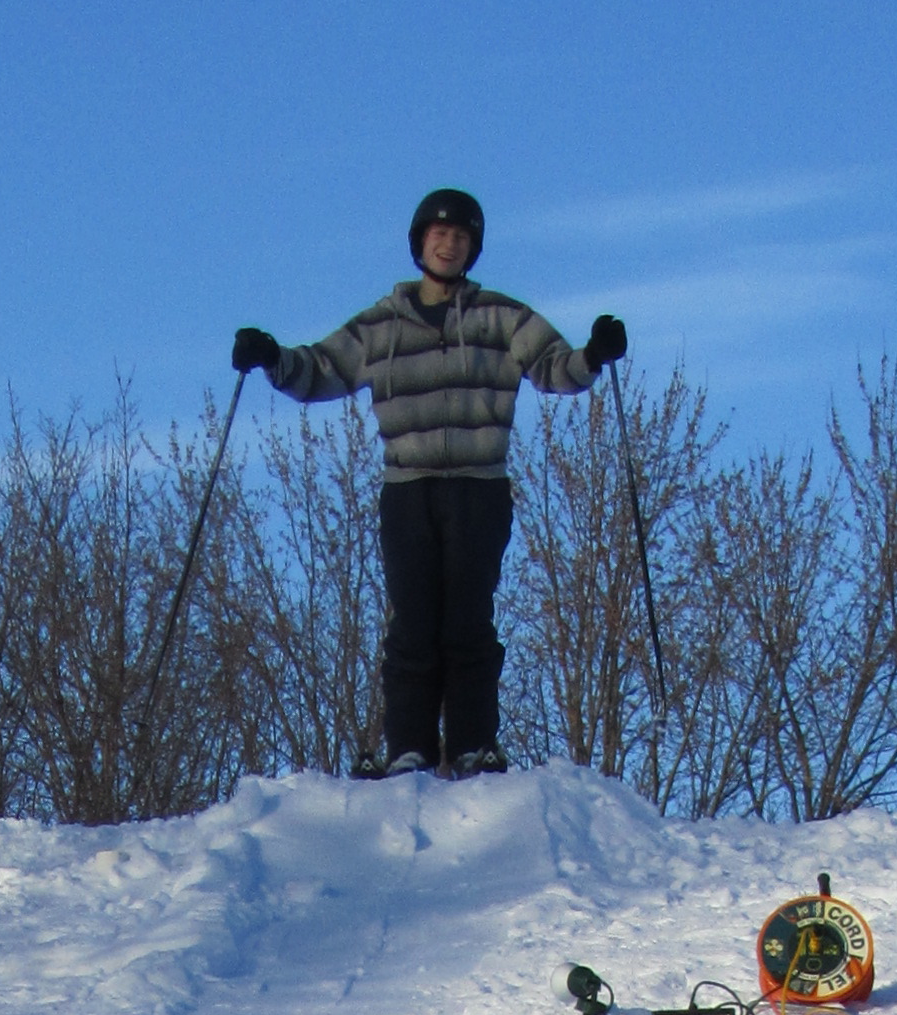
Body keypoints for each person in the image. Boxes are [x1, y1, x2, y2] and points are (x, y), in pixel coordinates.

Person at [235, 191, 625, 778]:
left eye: (462, 238)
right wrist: (271, 358)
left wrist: (593, 355)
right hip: (408, 490)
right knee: (413, 623)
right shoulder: (381, 325)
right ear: (420, 242)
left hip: (478, 489)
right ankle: (408, 749)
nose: (449, 245)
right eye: (440, 235)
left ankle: (473, 746)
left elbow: (553, 367)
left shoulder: (501, 318)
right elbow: (320, 369)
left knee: (468, 620)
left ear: (473, 249)